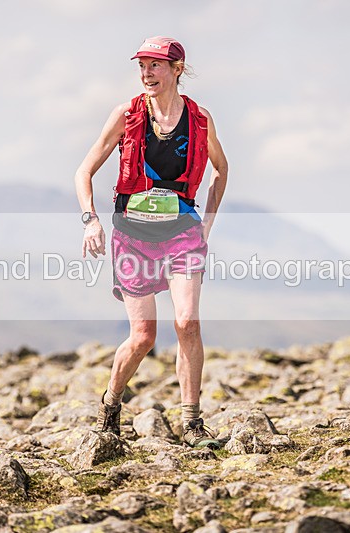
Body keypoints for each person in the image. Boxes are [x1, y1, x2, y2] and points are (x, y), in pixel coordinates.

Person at [74, 36, 228, 449]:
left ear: (177, 68)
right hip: (133, 235)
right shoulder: (126, 114)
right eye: (142, 65)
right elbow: (84, 172)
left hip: (182, 233)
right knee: (143, 336)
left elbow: (220, 170)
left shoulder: (199, 119)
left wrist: (206, 226)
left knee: (187, 322)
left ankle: (192, 424)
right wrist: (90, 220)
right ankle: (111, 404)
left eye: (155, 65)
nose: (146, 73)